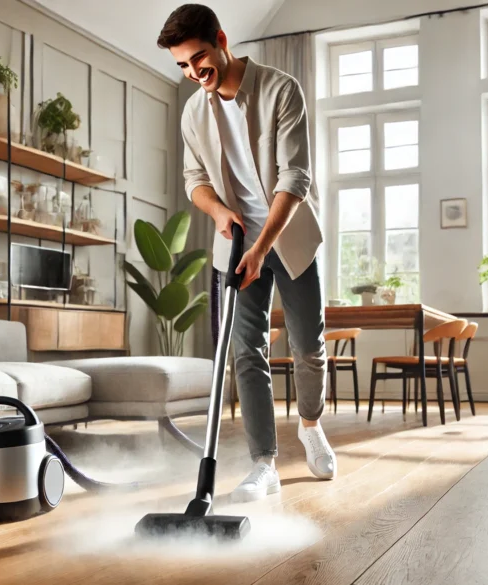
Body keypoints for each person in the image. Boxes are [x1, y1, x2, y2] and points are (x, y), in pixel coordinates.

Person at [158, 4, 337, 502]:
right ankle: (264, 464)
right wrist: (218, 214)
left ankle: (310, 425)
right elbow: (195, 182)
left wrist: (262, 246)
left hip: (288, 237)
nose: (195, 74)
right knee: (246, 352)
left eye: (199, 59)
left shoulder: (280, 90)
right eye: (183, 68)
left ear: (220, 38)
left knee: (307, 347)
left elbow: (294, 178)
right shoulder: (194, 111)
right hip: (234, 245)